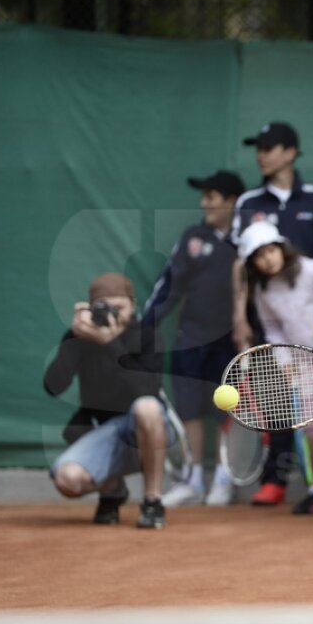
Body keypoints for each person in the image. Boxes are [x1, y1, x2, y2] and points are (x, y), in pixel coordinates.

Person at [232, 121, 313, 507]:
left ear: (290, 152)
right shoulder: (247, 203)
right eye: (258, 147)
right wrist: (239, 317)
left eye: (270, 147)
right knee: (277, 400)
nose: (262, 154)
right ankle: (276, 478)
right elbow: (239, 266)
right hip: (278, 324)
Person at [144, 170, 244, 508]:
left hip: (231, 342)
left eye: (211, 197)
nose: (204, 203)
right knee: (189, 410)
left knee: (227, 409)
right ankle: (193, 479)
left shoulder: (247, 240)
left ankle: (223, 479)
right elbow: (169, 285)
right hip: (191, 337)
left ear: (231, 201)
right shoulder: (192, 237)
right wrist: (146, 325)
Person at [45, 273, 172, 529]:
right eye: (105, 306)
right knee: (67, 480)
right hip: (103, 432)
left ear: (133, 305)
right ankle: (112, 491)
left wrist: (111, 344)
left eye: (119, 307)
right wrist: (74, 340)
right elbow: (53, 387)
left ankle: (152, 500)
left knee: (146, 407)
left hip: (147, 433)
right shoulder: (80, 337)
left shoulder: (147, 335)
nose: (113, 313)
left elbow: (147, 389)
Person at [238, 220, 313, 515]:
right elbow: (274, 331)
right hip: (306, 364)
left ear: (282, 248)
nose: (267, 259)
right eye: (259, 256)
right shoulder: (263, 292)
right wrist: (286, 362)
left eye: (271, 251)